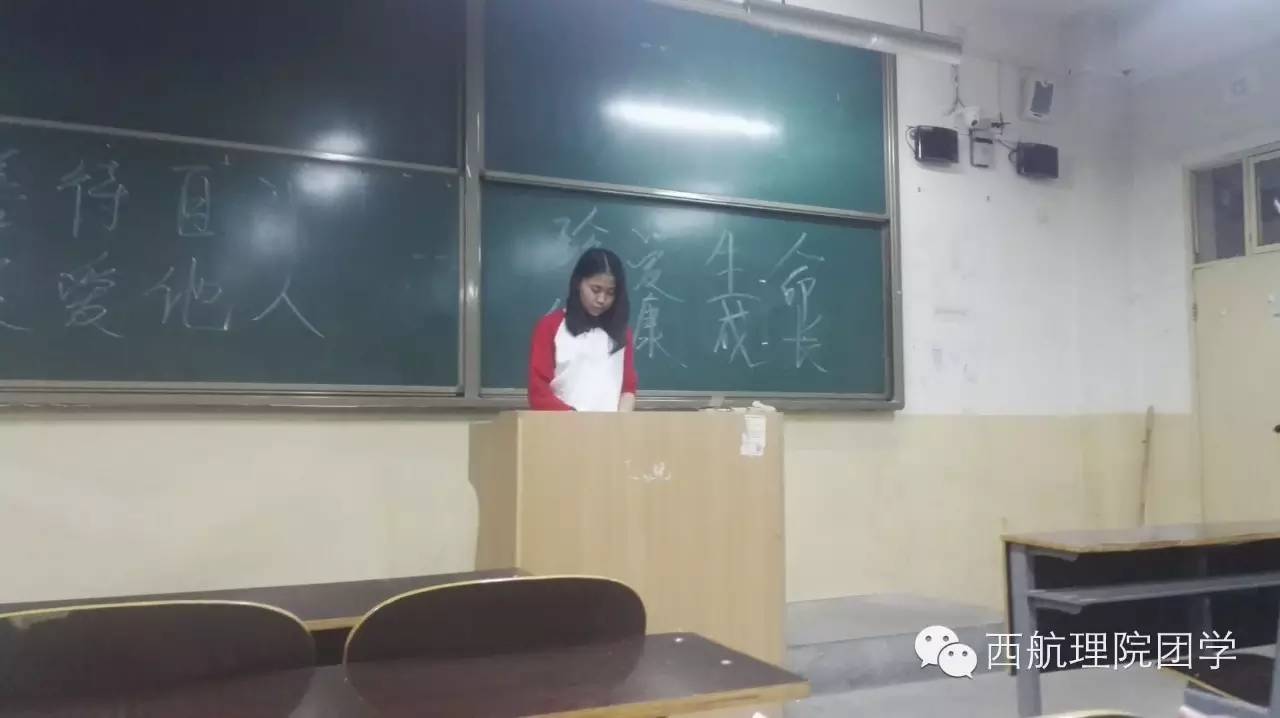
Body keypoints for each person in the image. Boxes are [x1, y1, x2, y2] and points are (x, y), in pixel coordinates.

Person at [528, 248, 637, 412]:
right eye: (595, 289)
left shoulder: (622, 333)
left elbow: (627, 389)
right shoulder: (550, 326)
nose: (601, 299)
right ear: (578, 283)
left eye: (610, 293)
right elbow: (538, 391)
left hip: (610, 426)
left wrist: (620, 422)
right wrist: (575, 419)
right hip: (560, 424)